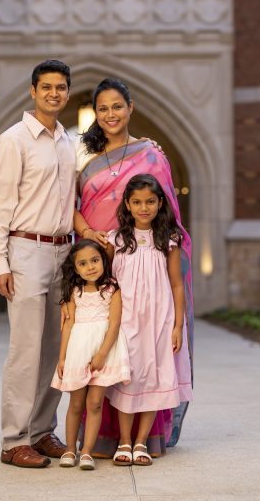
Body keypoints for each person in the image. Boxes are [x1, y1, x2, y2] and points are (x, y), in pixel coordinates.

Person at [68, 77, 194, 457]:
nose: (111, 114)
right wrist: (90, 232)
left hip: (144, 268)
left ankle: (139, 439)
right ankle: (99, 438)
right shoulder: (85, 160)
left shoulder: (152, 156)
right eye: (103, 108)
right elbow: (68, 209)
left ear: (131, 108)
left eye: (117, 107)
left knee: (142, 351)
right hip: (101, 267)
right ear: (96, 113)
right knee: (102, 344)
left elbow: (167, 216)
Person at [0, 59, 76, 468]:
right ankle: (13, 439)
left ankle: (40, 431)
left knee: (57, 348)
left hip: (64, 252)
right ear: (32, 92)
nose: (54, 93)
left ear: (67, 92)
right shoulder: (13, 140)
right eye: (46, 87)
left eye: (61, 87)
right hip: (25, 251)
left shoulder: (67, 141)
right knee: (25, 350)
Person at [105, 174, 192, 466]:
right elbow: (107, 282)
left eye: (150, 201)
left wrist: (178, 325)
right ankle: (125, 441)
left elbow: (177, 284)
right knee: (127, 377)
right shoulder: (116, 240)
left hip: (159, 319)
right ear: (128, 205)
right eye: (138, 202)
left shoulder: (168, 239)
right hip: (126, 319)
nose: (144, 207)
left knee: (153, 376)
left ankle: (141, 442)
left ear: (160, 203)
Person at [51, 240, 130, 470]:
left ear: (103, 261)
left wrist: (102, 354)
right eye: (83, 263)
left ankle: (86, 451)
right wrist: (63, 357)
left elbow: (114, 325)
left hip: (103, 351)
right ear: (75, 269)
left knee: (95, 402)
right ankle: (69, 449)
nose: (90, 267)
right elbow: (68, 325)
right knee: (76, 403)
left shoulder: (112, 289)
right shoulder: (74, 292)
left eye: (95, 260)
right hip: (78, 349)